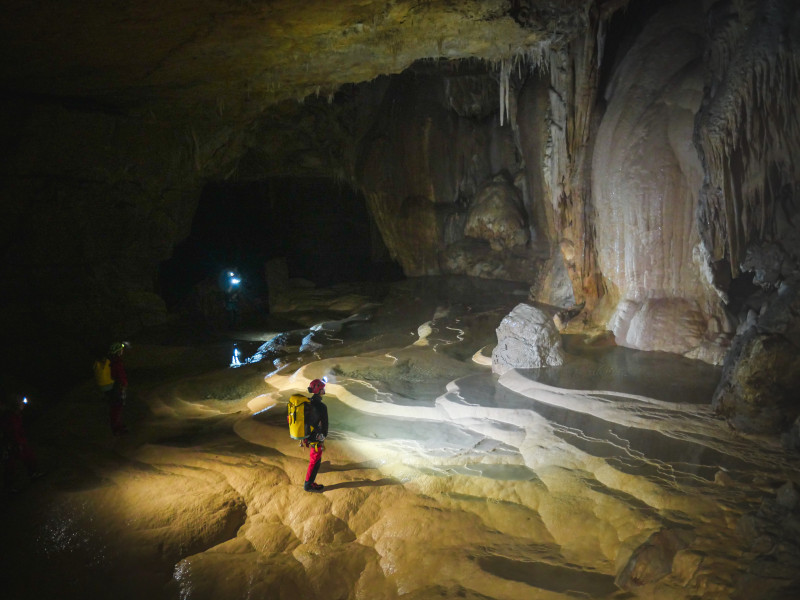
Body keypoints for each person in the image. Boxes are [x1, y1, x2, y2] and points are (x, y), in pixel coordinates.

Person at [1, 394, 40, 493]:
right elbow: (11, 430)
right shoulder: (8, 416)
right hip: (11, 443)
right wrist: (17, 443)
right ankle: (9, 488)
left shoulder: (13, 414)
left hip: (18, 441)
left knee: (28, 456)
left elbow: (17, 427)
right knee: (10, 465)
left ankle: (33, 474)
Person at [303, 378, 329, 492]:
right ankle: (308, 485)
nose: (324, 389)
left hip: (307, 434)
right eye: (323, 388)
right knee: (315, 460)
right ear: (319, 390)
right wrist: (323, 438)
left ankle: (313, 475)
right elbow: (325, 426)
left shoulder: (308, 402)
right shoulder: (322, 406)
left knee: (315, 459)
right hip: (315, 437)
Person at [107, 342, 129, 435]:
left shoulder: (114, 361)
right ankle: (116, 428)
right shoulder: (116, 362)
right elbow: (119, 376)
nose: (122, 351)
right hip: (117, 388)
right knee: (117, 407)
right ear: (117, 352)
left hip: (116, 387)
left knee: (117, 408)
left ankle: (117, 425)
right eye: (120, 350)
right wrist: (123, 385)